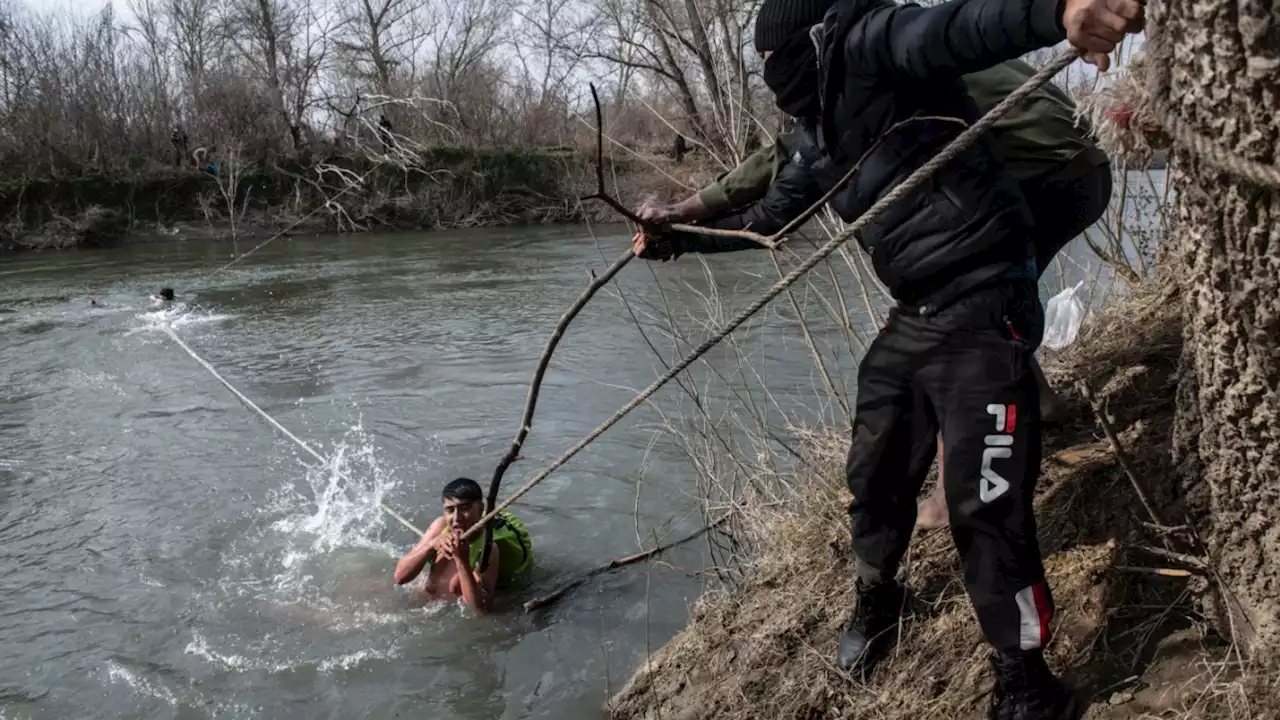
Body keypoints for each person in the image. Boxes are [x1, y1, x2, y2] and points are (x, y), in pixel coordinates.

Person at [630, 0, 1143, 715]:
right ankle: (879, 597)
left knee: (983, 502)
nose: (772, 76)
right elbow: (768, 222)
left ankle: (1025, 680)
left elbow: (960, 28)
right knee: (873, 472)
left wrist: (1058, 13)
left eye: (776, 62)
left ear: (807, 44)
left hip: (986, 300)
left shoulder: (872, 47)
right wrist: (679, 240)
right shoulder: (817, 134)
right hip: (917, 313)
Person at [643, 55, 1112, 534]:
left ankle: (951, 496)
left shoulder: (863, 67)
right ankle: (1042, 402)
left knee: (964, 312)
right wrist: (684, 220)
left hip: (1044, 170)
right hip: (1084, 165)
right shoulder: (902, 38)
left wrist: (682, 213)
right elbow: (786, 162)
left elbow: (782, 161)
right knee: (988, 302)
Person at [394, 477, 533, 614]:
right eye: (450, 510)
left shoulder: (489, 547)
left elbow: (481, 611)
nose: (456, 518)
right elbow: (399, 577)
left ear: (481, 508)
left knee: (456, 585)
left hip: (450, 611)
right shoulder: (440, 526)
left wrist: (462, 561)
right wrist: (431, 544)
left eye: (464, 508)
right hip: (427, 606)